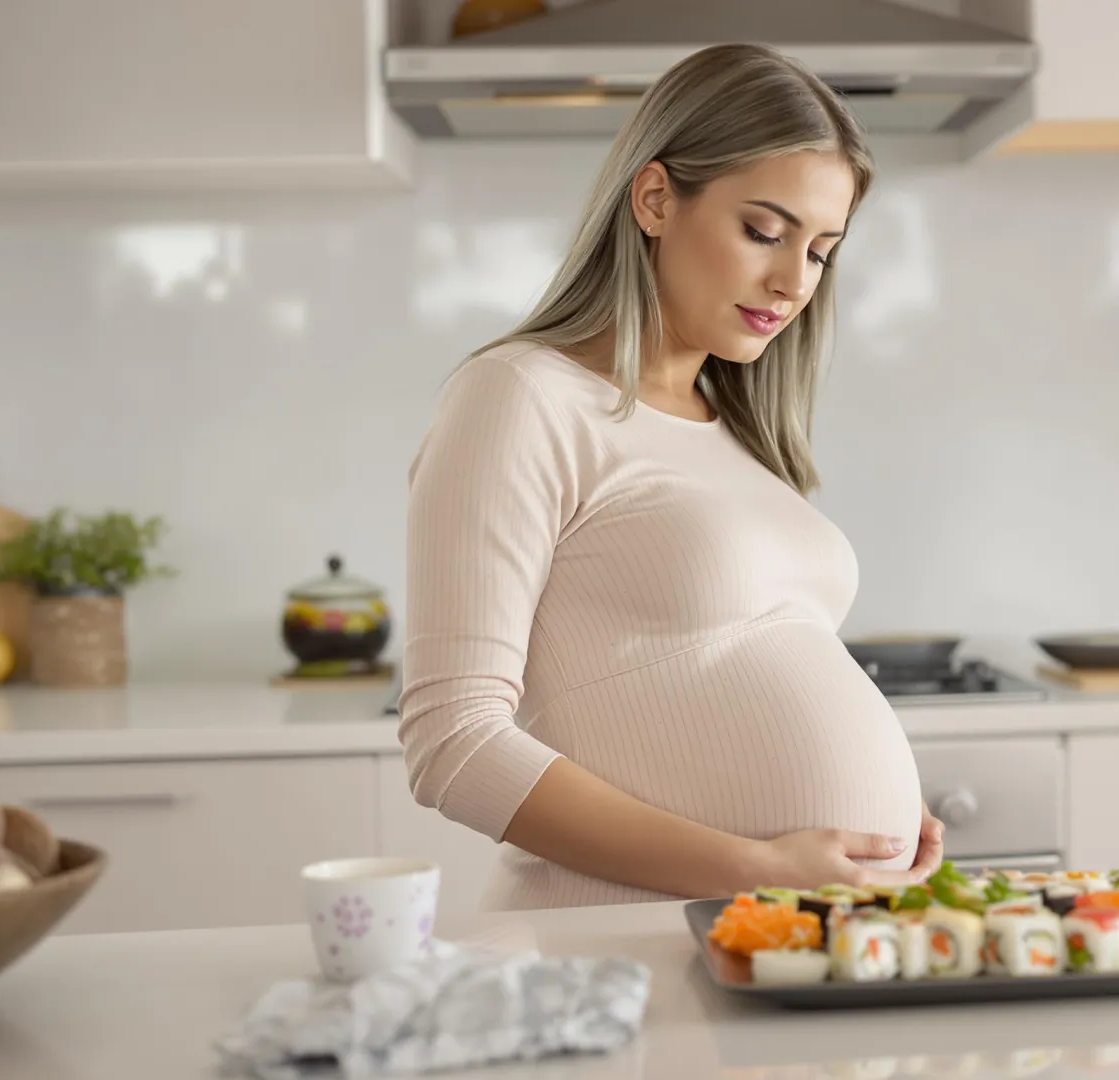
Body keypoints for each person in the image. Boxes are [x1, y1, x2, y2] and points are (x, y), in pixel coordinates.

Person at [398, 42, 943, 910]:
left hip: (789, 949)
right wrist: (758, 869)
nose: (791, 280)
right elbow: (453, 744)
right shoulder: (520, 397)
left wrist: (883, 806)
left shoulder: (738, 436)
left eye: (820, 251)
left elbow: (717, 676)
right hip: (626, 945)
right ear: (655, 198)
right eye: (764, 231)